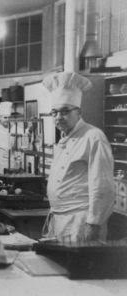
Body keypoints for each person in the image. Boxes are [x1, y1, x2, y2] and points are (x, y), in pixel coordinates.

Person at [42, 72, 115, 242]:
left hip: (81, 221)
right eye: (54, 112)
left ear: (79, 112)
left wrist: (94, 223)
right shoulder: (64, 140)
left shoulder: (93, 136)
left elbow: (102, 185)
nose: (58, 117)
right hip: (60, 219)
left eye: (65, 111)